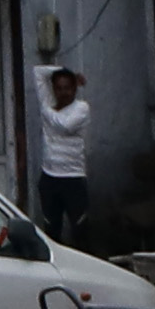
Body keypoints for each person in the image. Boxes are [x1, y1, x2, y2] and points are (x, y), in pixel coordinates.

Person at [30, 63, 94, 246]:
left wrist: (46, 111)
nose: (63, 92)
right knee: (51, 230)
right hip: (49, 178)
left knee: (80, 230)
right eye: (58, 88)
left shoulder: (81, 108)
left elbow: (64, 125)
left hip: (73, 179)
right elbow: (38, 71)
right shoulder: (49, 102)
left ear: (75, 89)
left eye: (67, 88)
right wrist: (70, 72)